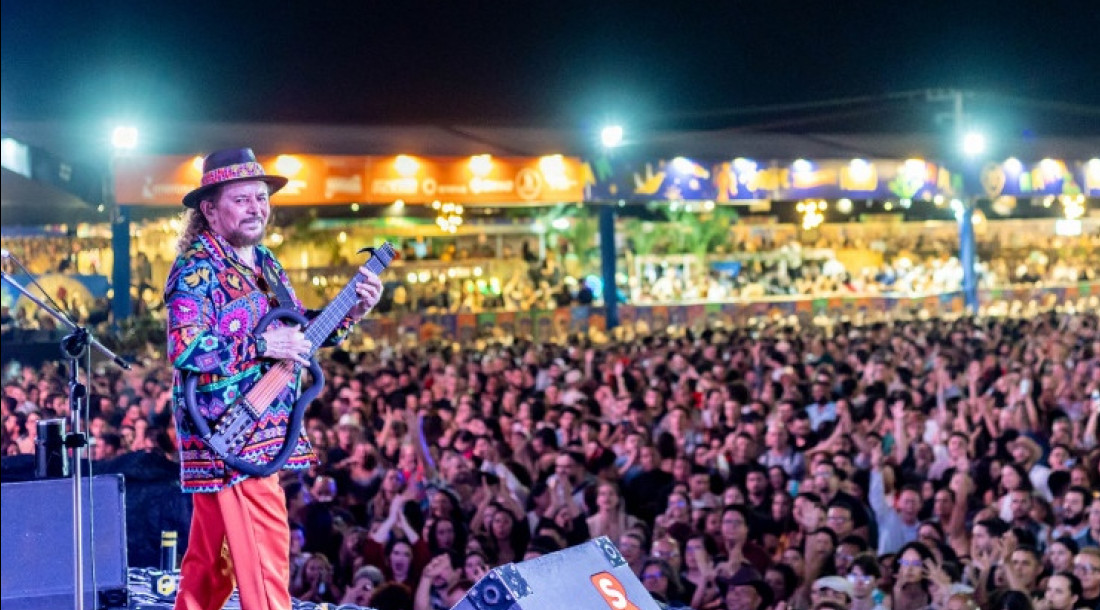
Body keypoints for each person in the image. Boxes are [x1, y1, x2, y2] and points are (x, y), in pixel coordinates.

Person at [166, 148, 384, 610]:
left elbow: (297, 330)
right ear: (209, 209)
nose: (256, 208)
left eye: (260, 198)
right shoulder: (196, 269)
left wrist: (354, 309)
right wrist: (261, 346)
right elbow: (184, 347)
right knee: (264, 558)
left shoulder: (265, 263)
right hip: (230, 435)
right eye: (242, 199)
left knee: (211, 563)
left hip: (256, 429)